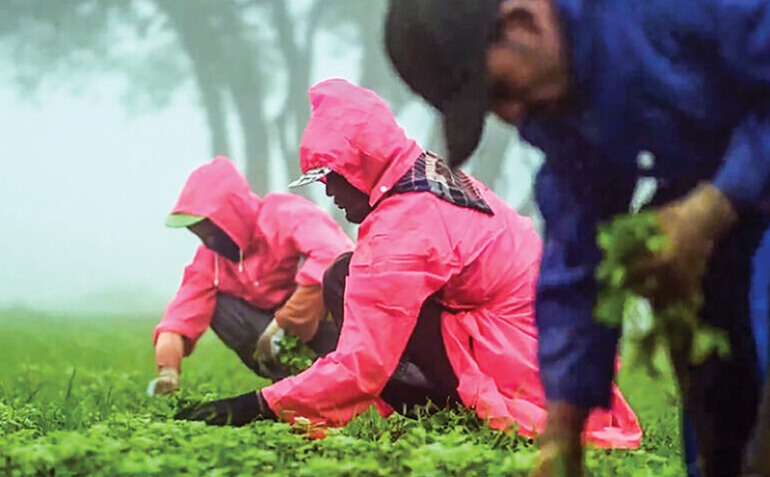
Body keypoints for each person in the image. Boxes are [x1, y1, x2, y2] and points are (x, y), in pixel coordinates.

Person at [384, 0, 770, 477]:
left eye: (500, 91)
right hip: (725, 185)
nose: (514, 116)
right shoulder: (561, 99)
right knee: (689, 295)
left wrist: (713, 206)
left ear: (523, 20)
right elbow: (576, 256)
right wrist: (560, 439)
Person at [177, 78, 642, 450]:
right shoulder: (425, 178)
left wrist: (254, 406)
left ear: (362, 164)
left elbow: (364, 365)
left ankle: (443, 409)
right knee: (349, 274)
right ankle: (422, 399)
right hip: (557, 347)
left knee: (343, 275)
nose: (330, 194)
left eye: (335, 177)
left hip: (529, 365)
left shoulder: (401, 230)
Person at [150, 156, 354, 394]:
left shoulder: (286, 214)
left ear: (230, 217)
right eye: (201, 236)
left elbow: (335, 255)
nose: (208, 242)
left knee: (331, 279)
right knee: (218, 305)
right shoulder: (212, 258)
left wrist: (286, 321)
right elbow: (182, 312)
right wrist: (168, 369)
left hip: (329, 325)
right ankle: (291, 382)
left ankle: (342, 373)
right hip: (275, 336)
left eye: (212, 232)